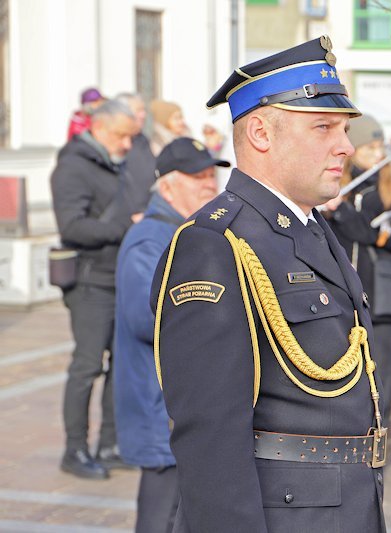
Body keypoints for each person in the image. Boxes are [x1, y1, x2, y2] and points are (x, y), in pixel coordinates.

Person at [150, 37, 386, 532]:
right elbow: (211, 439)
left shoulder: (311, 227)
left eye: (344, 128)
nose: (345, 145)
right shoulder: (215, 244)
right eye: (323, 127)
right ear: (260, 132)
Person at [115, 137, 228, 532]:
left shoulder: (186, 232)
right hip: (157, 405)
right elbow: (143, 319)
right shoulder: (150, 238)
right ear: (166, 186)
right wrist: (214, 317)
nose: (209, 184)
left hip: (179, 407)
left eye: (210, 175)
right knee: (159, 517)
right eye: (196, 176)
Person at [51, 99, 138, 479]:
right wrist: (126, 227)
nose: (127, 145)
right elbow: (72, 226)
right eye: (121, 136)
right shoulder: (73, 166)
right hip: (89, 283)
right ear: (99, 128)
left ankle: (109, 444)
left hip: (118, 277)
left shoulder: (115, 164)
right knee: (87, 366)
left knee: (120, 364)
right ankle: (74, 450)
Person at [323, 114, 391, 422]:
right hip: (340, 293)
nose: (376, 155)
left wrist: (347, 215)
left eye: (379, 147)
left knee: (381, 370)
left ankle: (379, 438)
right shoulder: (334, 184)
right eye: (369, 148)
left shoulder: (389, 188)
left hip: (379, 293)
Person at [117, 93, 157, 217]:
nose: (143, 115)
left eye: (144, 110)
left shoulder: (143, 140)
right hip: (129, 217)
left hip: (148, 211)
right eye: (138, 110)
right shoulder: (117, 143)